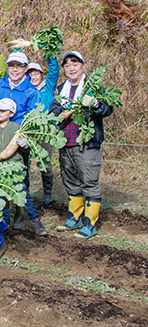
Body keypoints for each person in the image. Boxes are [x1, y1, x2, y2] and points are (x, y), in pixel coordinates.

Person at [50, 51, 114, 239]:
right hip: (65, 141)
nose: (71, 67)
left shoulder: (93, 87)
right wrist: (63, 109)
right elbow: (54, 109)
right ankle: (74, 217)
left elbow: (108, 108)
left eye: (75, 63)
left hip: (86, 144)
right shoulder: (62, 88)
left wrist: (94, 104)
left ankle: (90, 224)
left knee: (89, 182)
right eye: (67, 65)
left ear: (83, 66)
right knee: (70, 181)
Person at [0, 98, 47, 235]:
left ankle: (35, 222)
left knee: (23, 195)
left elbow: (25, 151)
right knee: (0, 197)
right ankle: (5, 224)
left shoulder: (16, 128)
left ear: (11, 113)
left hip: (14, 168)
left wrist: (25, 145)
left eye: (2, 110)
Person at [27, 58, 60, 205]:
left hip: (45, 130)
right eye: (30, 74)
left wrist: (50, 54)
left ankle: (47, 194)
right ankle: (25, 193)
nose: (33, 77)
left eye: (36, 74)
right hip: (28, 130)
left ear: (41, 75)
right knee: (24, 163)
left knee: (45, 163)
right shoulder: (26, 89)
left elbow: (54, 71)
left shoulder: (48, 87)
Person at [0, 52, 40, 124]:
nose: (15, 69)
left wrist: (17, 129)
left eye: (19, 66)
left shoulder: (32, 92)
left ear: (26, 68)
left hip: (17, 131)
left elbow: (32, 118)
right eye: (11, 65)